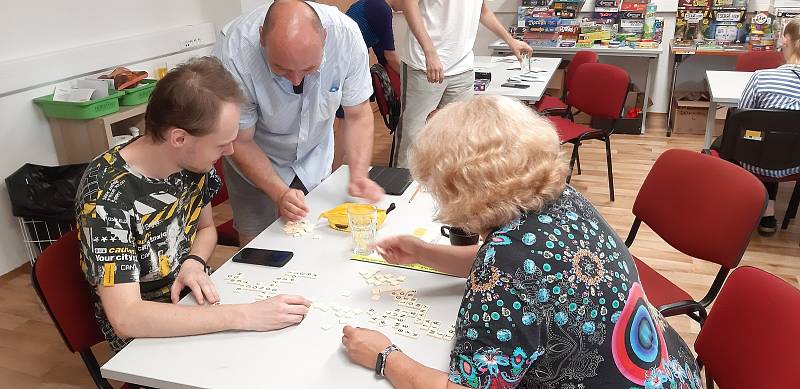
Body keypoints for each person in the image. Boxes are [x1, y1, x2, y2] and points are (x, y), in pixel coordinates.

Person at [341, 95, 703, 388]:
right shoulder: (562, 198)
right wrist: (422, 252)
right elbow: (517, 267)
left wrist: (385, 356)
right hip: (669, 372)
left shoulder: (506, 265)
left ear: (459, 190)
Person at [75, 57, 311, 353]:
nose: (231, 151)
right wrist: (242, 315)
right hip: (146, 336)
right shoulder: (107, 196)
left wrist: (194, 261)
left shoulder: (192, 163)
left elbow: (206, 228)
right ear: (179, 138)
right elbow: (127, 317)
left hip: (196, 301)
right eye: (220, 144)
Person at [213, 0, 384, 245]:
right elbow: (240, 140)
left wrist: (358, 174)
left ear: (324, 37)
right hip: (255, 152)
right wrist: (279, 192)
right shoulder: (233, 51)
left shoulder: (346, 36)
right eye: (281, 69)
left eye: (309, 68)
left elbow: (358, 114)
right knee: (258, 247)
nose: (296, 81)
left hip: (314, 152)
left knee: (315, 237)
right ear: (262, 37)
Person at [392, 0, 534, 167]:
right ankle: (401, 188)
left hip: (462, 67)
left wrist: (511, 41)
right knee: (413, 136)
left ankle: (445, 188)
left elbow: (483, 11)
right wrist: (430, 52)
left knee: (457, 136)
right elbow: (408, 5)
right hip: (424, 66)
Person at [735, 16, 800, 233]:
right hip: (794, 163)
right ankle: (768, 210)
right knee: (777, 140)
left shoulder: (761, 78)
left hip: (753, 159)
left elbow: (741, 119)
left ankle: (733, 205)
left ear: (785, 41)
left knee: (756, 137)